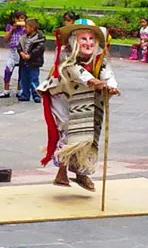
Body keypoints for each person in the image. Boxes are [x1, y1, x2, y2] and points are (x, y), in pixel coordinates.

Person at [38, 18, 119, 192]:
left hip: (85, 99)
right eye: (83, 39)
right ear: (75, 41)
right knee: (69, 131)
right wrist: (91, 80)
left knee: (88, 132)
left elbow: (107, 73)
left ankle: (81, 171)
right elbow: (74, 71)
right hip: (61, 97)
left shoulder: (99, 58)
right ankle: (62, 171)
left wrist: (111, 87)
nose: (88, 43)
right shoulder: (66, 56)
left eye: (91, 39)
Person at [0, 10, 27, 98]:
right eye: (19, 18)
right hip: (13, 51)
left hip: (22, 51)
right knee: (8, 70)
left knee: (22, 72)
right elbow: (6, 39)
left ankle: (20, 90)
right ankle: (6, 90)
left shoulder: (25, 28)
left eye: (23, 18)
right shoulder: (10, 27)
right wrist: (12, 29)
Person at [17, 18, 45, 103]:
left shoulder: (39, 38)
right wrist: (21, 52)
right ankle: (25, 94)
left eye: (26, 27)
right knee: (24, 79)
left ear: (32, 28)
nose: (24, 29)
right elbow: (19, 46)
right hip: (24, 61)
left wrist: (30, 55)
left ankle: (36, 95)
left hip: (33, 62)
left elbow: (39, 49)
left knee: (34, 79)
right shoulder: (23, 38)